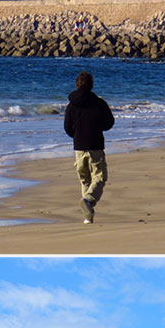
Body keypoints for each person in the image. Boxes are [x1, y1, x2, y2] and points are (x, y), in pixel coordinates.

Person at [64, 71, 115, 224]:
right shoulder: (99, 103)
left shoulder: (71, 105)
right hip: (95, 145)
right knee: (99, 178)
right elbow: (109, 123)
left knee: (85, 180)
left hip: (79, 147)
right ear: (91, 85)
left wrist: (77, 135)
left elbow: (67, 127)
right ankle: (88, 200)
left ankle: (88, 216)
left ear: (77, 84)